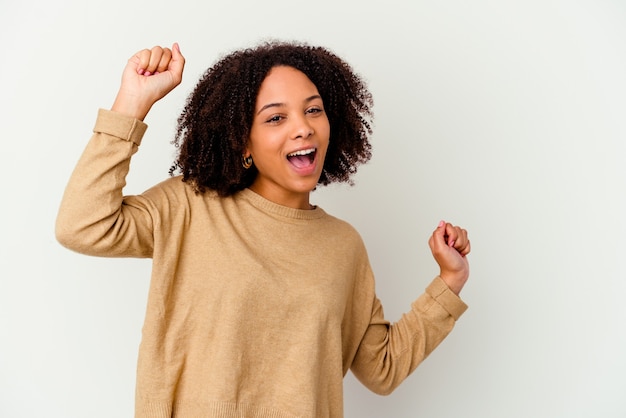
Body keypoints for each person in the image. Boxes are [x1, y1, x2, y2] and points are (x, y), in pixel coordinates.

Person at [56, 41, 471, 418]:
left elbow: (382, 369)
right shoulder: (188, 206)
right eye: (276, 117)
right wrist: (131, 104)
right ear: (244, 144)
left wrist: (450, 281)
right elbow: (82, 225)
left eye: (313, 110)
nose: (303, 127)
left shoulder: (344, 245)